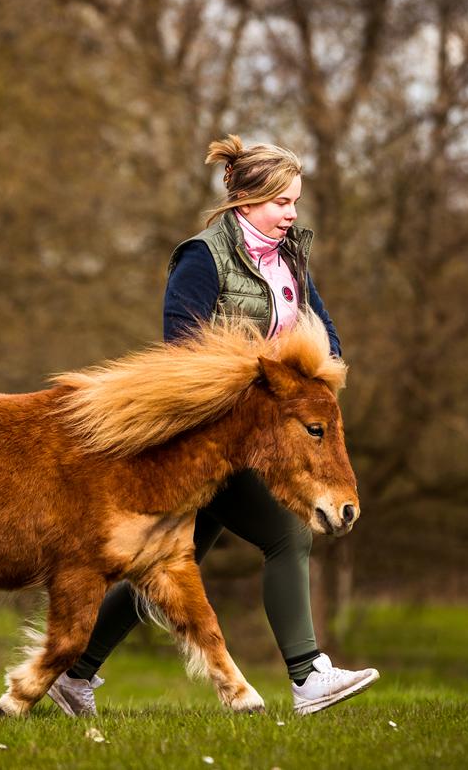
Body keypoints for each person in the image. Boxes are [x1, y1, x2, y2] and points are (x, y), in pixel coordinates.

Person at [47, 134, 379, 717]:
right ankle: (307, 676)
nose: (292, 214)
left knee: (168, 564)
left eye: (296, 202)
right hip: (210, 440)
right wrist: (266, 376)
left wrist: (303, 375)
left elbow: (329, 342)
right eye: (281, 202)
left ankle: (73, 673)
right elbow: (182, 350)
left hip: (262, 440)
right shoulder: (202, 258)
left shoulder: (291, 259)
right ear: (245, 201)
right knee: (288, 535)